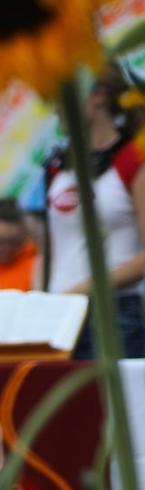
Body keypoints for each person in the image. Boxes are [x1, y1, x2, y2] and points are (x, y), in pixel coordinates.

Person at [45, 67, 145, 359]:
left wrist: (84, 288)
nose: (55, 110)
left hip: (113, 314)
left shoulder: (134, 158)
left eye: (61, 98)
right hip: (59, 316)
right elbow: (51, 248)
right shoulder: (58, 165)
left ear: (98, 96)